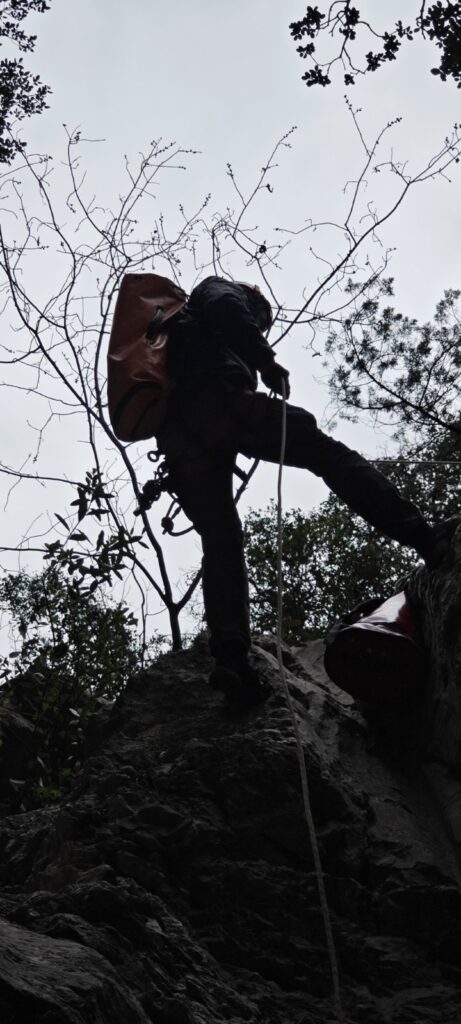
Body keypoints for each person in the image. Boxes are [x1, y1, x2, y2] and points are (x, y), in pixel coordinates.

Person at [157, 276, 454, 705]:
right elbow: (225, 306)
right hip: (220, 402)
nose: (261, 326)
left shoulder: (181, 335)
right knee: (329, 455)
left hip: (180, 439)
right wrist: (265, 361)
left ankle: (231, 661)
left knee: (221, 539)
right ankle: (425, 537)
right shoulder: (218, 291)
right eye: (262, 320)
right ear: (255, 300)